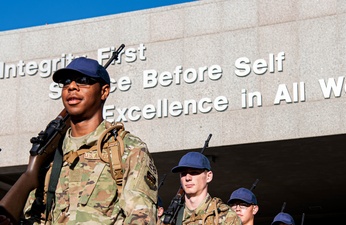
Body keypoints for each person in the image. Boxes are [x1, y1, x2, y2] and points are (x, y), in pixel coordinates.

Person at [22, 57, 158, 224]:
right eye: (66, 82)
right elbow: (37, 217)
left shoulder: (128, 149)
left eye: (83, 81)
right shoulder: (51, 155)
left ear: (104, 91)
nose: (71, 87)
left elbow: (141, 216)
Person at [167, 151, 241, 225]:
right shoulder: (171, 217)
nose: (187, 178)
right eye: (183, 174)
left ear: (208, 176)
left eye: (194, 172)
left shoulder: (225, 216)